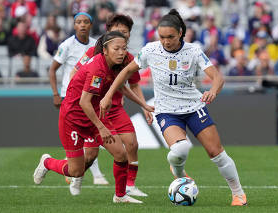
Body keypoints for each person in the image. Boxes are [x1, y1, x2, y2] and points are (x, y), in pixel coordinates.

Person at [100, 9, 247, 206]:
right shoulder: (150, 50)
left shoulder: (193, 51)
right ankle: (179, 173)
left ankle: (238, 194)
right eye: (162, 37)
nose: (166, 41)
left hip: (194, 107)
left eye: (170, 37)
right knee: (181, 148)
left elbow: (218, 77)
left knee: (216, 153)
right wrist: (109, 95)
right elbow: (125, 72)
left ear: (180, 33)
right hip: (167, 111)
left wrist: (213, 90)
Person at [33, 31, 153, 203]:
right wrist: (102, 128)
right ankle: (47, 162)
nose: (121, 52)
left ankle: (120, 196)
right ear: (105, 50)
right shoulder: (98, 69)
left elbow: (121, 87)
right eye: (116, 48)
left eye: (124, 48)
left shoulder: (117, 63)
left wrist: (143, 104)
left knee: (121, 154)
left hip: (93, 114)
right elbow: (84, 102)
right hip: (73, 119)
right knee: (76, 171)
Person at [70, 14, 151, 197]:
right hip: (94, 110)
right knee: (90, 155)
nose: (121, 34)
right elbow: (75, 73)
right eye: (117, 31)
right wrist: (77, 100)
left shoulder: (129, 58)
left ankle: (129, 186)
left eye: (124, 32)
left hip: (115, 108)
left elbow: (134, 85)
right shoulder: (94, 53)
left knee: (132, 144)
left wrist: (144, 106)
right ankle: (77, 174)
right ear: (108, 34)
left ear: (129, 35)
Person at [48, 12, 108, 185]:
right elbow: (52, 70)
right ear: (74, 25)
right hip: (71, 97)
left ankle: (83, 174)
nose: (82, 25)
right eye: (78, 22)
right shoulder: (67, 45)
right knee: (78, 139)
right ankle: (82, 173)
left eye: (86, 22)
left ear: (91, 25)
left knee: (90, 144)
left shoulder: (97, 46)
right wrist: (55, 94)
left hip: (90, 96)